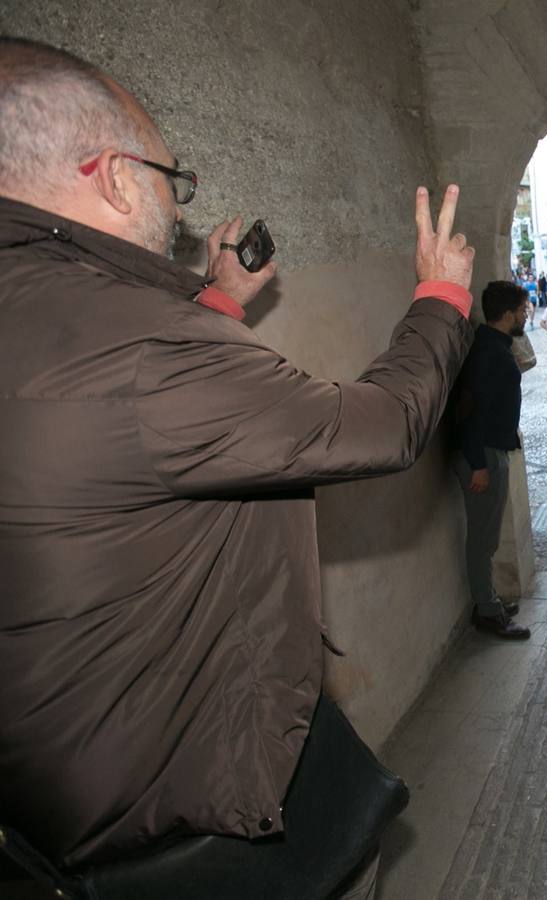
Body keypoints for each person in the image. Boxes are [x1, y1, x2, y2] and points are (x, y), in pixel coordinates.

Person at [0, 37, 478, 883]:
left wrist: (216, 300)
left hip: (54, 810)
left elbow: (124, 426)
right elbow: (384, 425)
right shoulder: (149, 347)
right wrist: (439, 296)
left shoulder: (56, 313)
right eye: (167, 178)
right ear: (111, 177)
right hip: (186, 826)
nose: (178, 209)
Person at [450, 280, 532, 640]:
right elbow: (472, 411)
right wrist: (479, 463)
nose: (526, 315)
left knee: (488, 536)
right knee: (482, 539)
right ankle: (488, 612)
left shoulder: (492, 344)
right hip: (482, 455)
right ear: (510, 312)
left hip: (489, 450)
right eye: (523, 310)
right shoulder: (488, 352)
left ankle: (490, 599)